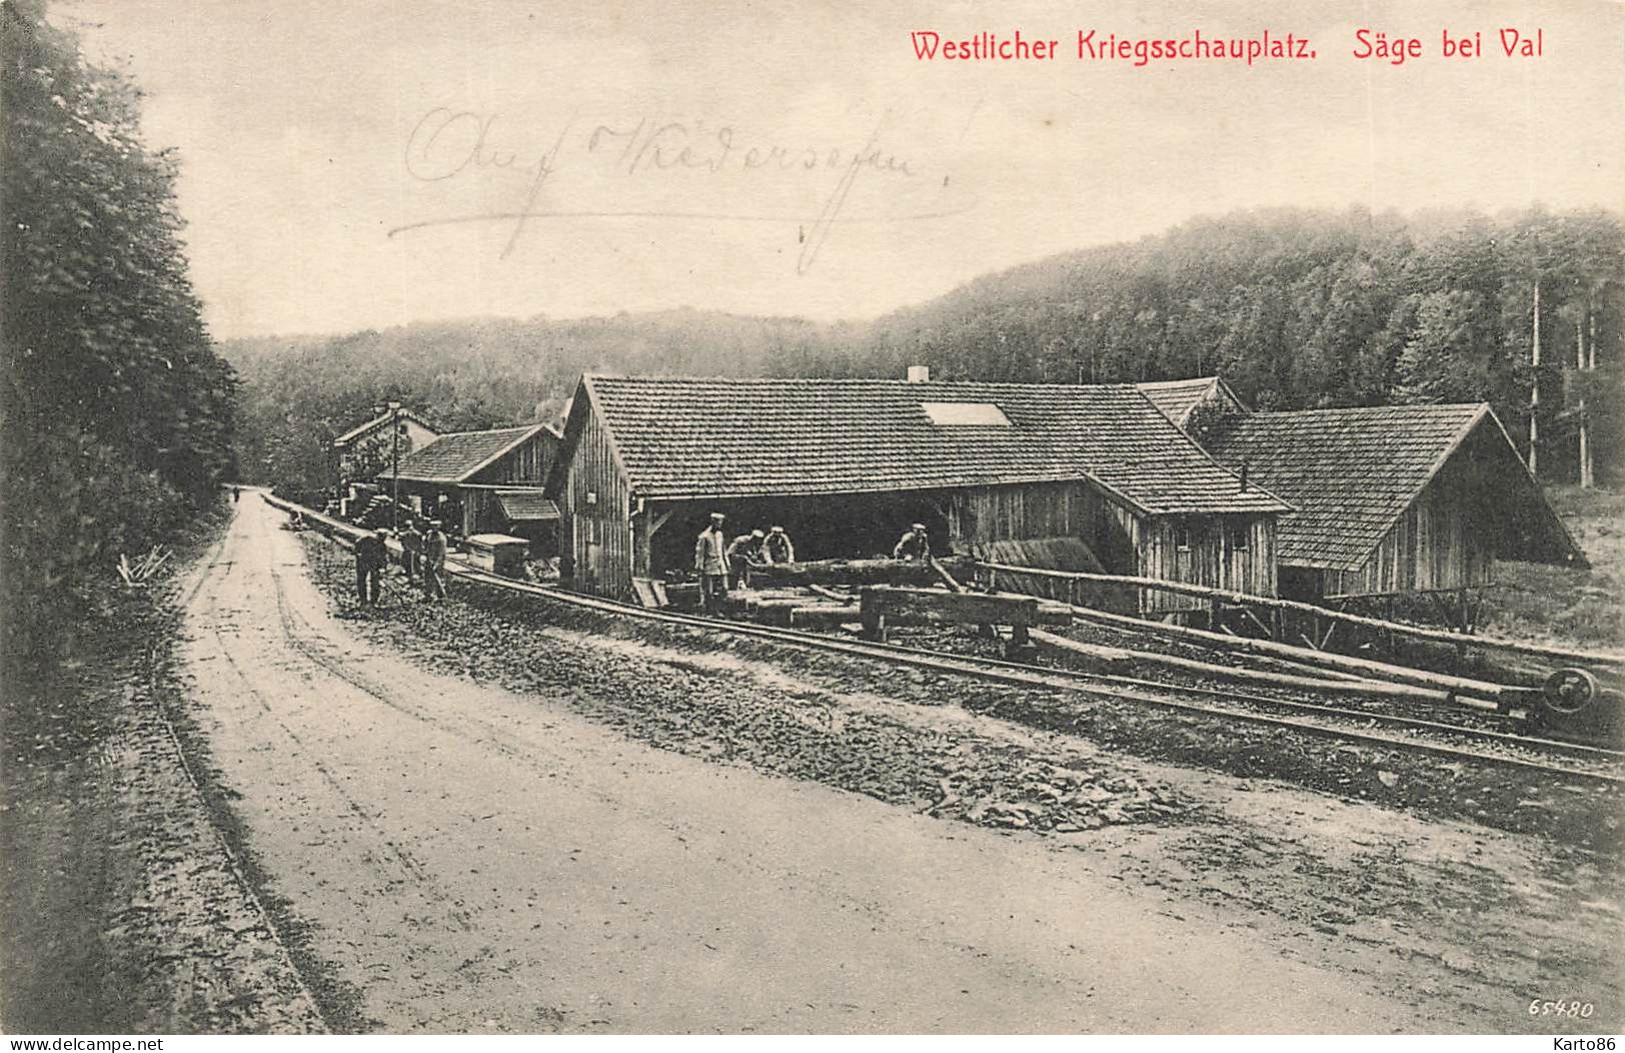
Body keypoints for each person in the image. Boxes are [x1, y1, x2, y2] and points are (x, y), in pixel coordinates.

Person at [694, 512, 730, 613]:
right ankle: (710, 610)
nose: (720, 524)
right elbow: (700, 553)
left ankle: (721, 608)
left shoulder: (720, 535)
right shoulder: (704, 536)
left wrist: (727, 563)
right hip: (709, 564)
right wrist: (699, 566)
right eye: (718, 522)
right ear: (713, 522)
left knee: (724, 588)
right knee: (709, 590)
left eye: (721, 522)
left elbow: (723, 550)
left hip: (721, 564)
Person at [353, 529, 387, 606]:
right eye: (381, 537)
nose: (382, 539)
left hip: (373, 565)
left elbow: (383, 558)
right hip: (362, 562)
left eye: (384, 538)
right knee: (361, 581)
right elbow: (357, 545)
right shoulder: (367, 539)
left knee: (375, 582)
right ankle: (363, 600)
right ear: (378, 535)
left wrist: (382, 568)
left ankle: (374, 601)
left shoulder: (382, 546)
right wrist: (358, 554)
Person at [422, 520, 448, 601]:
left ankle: (441, 596)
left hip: (437, 560)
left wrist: (437, 563)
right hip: (429, 559)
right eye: (432, 526)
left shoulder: (441, 538)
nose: (434, 528)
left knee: (438, 578)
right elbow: (425, 544)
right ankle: (428, 594)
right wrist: (425, 552)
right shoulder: (429, 534)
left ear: (439, 527)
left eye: (436, 526)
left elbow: (441, 552)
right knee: (428, 577)